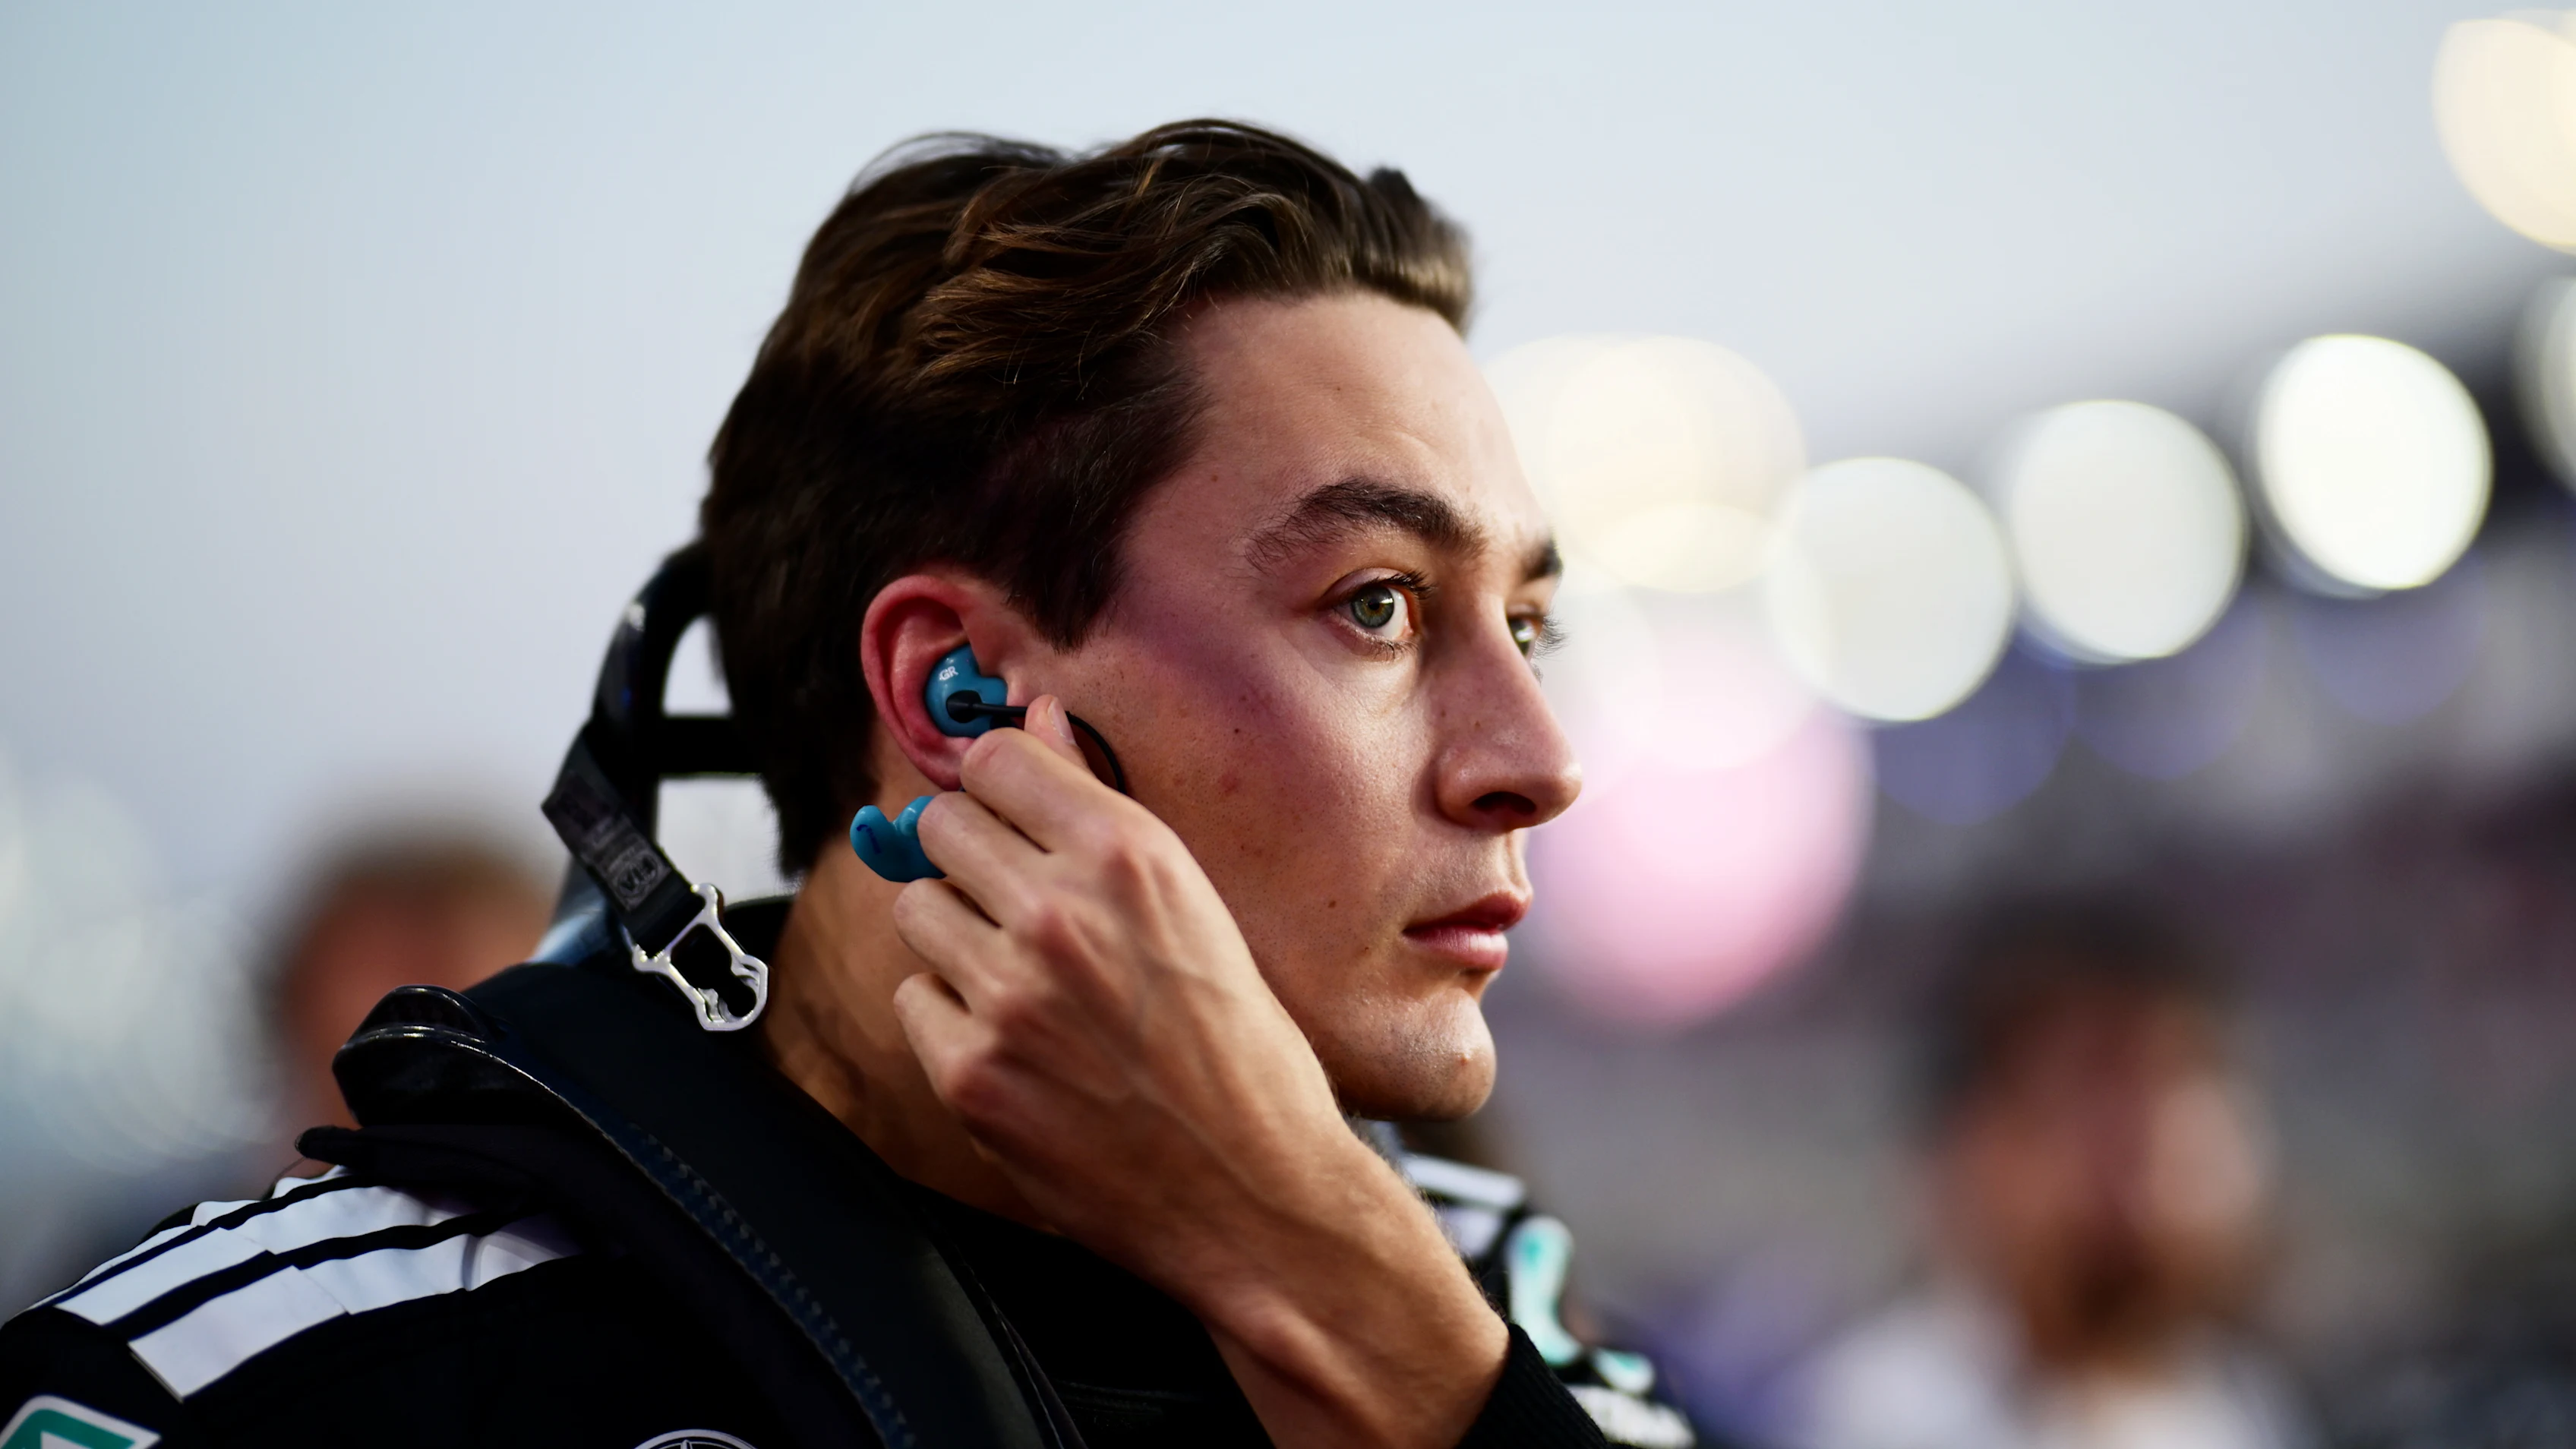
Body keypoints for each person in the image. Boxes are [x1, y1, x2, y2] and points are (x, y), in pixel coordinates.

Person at [0, 122, 1694, 1449]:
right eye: (1378, 605)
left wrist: (1327, 1276)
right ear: (956, 694)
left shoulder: (1509, 1318)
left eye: (1527, 626)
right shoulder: (267, 1383)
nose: (1540, 760)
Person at [1788, 904, 2310, 1449]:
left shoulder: (2241, 1408)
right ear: (1965, 1148)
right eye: (2088, 1097)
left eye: (2179, 1089)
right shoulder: (1884, 1416)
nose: (2147, 1152)